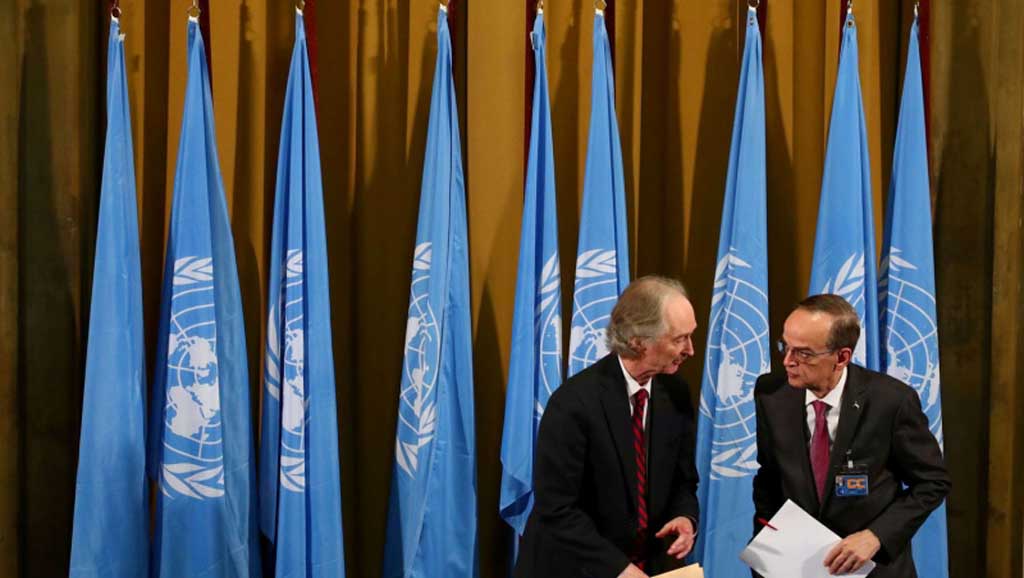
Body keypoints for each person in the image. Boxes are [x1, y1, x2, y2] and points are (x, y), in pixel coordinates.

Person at [513, 276, 701, 578]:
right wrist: (619, 569)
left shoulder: (675, 393)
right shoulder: (573, 404)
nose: (690, 350)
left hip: (644, 566)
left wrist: (685, 516)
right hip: (575, 569)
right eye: (679, 339)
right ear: (638, 341)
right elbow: (558, 510)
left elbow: (684, 480)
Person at [752, 294, 951, 577]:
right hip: (796, 568)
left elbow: (932, 482)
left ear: (842, 357)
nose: (787, 361)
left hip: (871, 569)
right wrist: (766, 550)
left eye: (804, 353)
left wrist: (876, 536)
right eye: (785, 346)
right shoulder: (771, 393)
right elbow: (769, 477)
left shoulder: (891, 401)